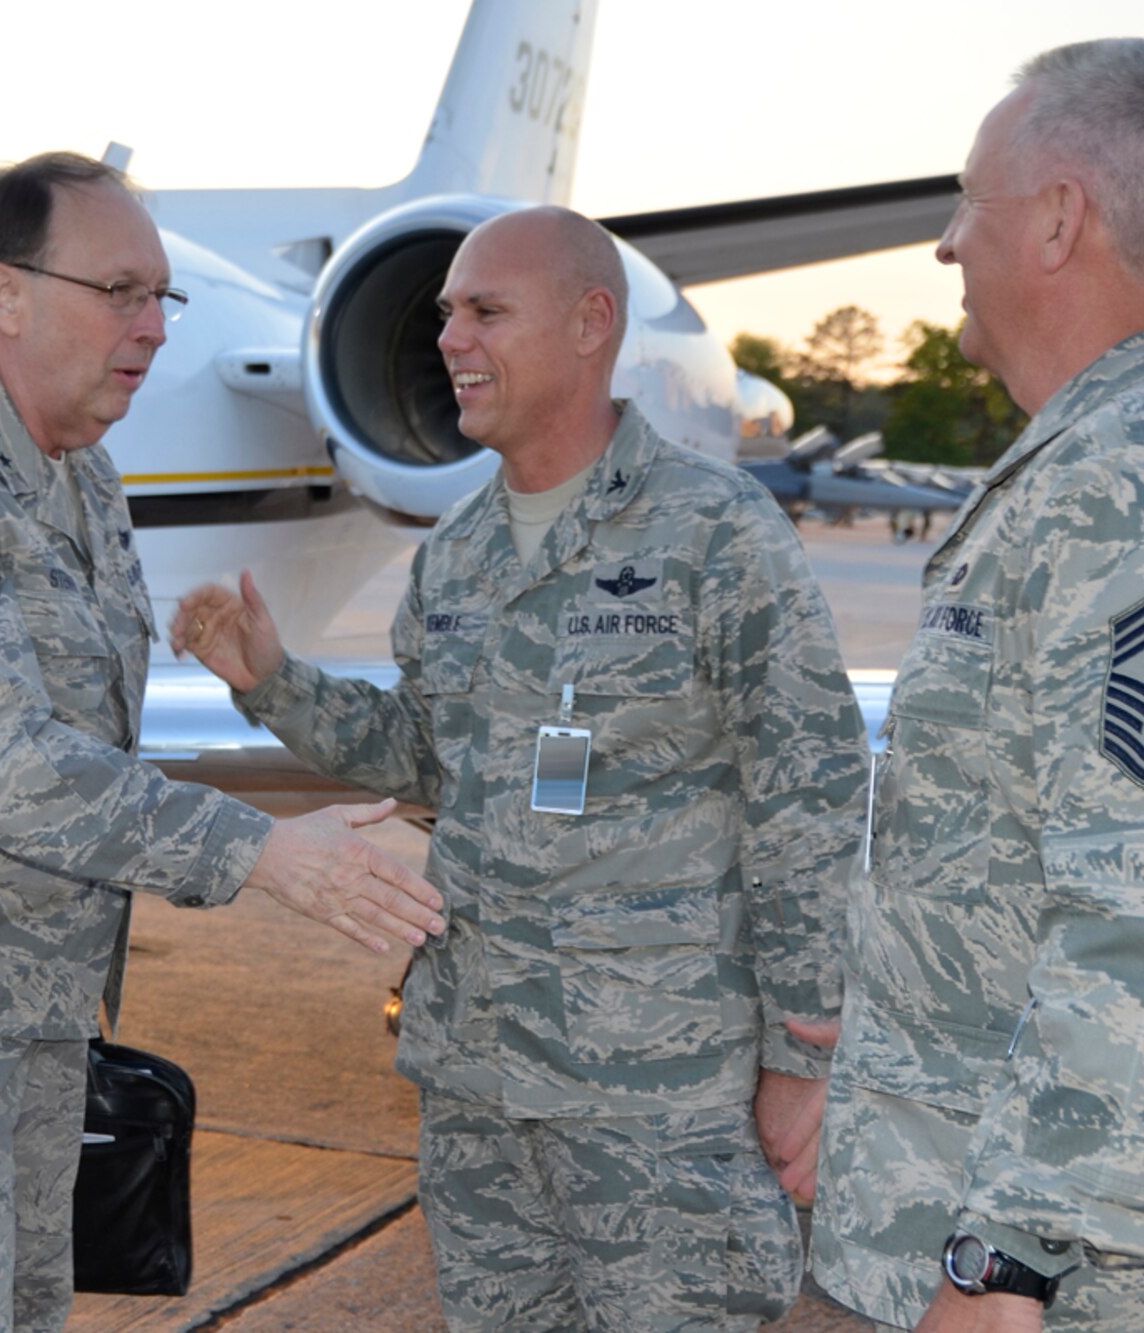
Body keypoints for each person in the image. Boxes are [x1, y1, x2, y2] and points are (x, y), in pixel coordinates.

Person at [0, 151, 446, 1332]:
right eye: (121, 292)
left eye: (163, 297)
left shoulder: (82, 475)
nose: (155, 327)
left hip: (24, 1020)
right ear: (6, 293)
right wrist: (264, 852)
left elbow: (75, 728)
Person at [175, 205, 868, 1330]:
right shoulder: (456, 555)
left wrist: (802, 1053)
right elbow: (429, 756)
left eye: (485, 311)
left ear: (591, 323)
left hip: (654, 1098)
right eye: (446, 314)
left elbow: (810, 796)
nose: (448, 338)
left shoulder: (712, 533)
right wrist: (271, 680)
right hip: (477, 1090)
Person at [786, 39, 1144, 1332]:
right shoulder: (1102, 464)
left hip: (1073, 1282)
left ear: (1054, 221)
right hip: (970, 1185)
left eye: (966, 204)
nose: (942, 244)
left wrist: (1006, 1263)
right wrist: (896, 1001)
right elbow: (1037, 844)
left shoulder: (1141, 496)